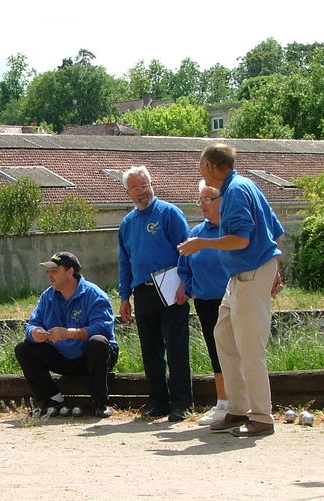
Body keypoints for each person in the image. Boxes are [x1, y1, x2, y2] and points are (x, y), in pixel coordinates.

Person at [179, 143, 284, 438]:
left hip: (250, 273)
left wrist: (201, 243)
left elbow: (241, 240)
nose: (200, 171)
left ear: (212, 167)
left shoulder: (236, 191)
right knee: (223, 335)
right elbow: (274, 228)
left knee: (250, 346)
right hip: (242, 275)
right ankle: (237, 408)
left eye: (202, 165)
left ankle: (262, 416)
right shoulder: (244, 184)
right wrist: (276, 266)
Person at [118, 165, 192, 422]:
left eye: (144, 185)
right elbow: (125, 261)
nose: (141, 191)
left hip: (172, 286)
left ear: (152, 184)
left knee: (176, 346)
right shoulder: (127, 224)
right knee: (150, 350)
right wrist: (124, 296)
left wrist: (185, 282)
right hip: (143, 290)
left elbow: (186, 250)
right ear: (127, 192)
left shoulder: (169, 213)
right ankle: (158, 401)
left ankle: (182, 403)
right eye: (135, 188)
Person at [15, 251, 119, 418]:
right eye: (48, 271)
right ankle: (52, 399)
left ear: (70, 272)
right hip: (62, 357)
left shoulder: (94, 294)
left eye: (54, 270)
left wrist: (71, 333)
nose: (49, 275)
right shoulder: (47, 296)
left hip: (91, 357)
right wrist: (34, 333)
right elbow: (32, 324)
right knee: (24, 348)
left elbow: (103, 328)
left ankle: (100, 402)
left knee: (98, 342)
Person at [176, 181, 230, 425]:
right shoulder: (196, 232)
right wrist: (191, 290)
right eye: (200, 200)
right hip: (206, 301)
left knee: (239, 351)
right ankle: (223, 403)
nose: (202, 205)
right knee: (215, 351)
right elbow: (184, 267)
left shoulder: (232, 230)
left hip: (233, 300)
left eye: (207, 199)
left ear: (222, 200)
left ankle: (246, 403)